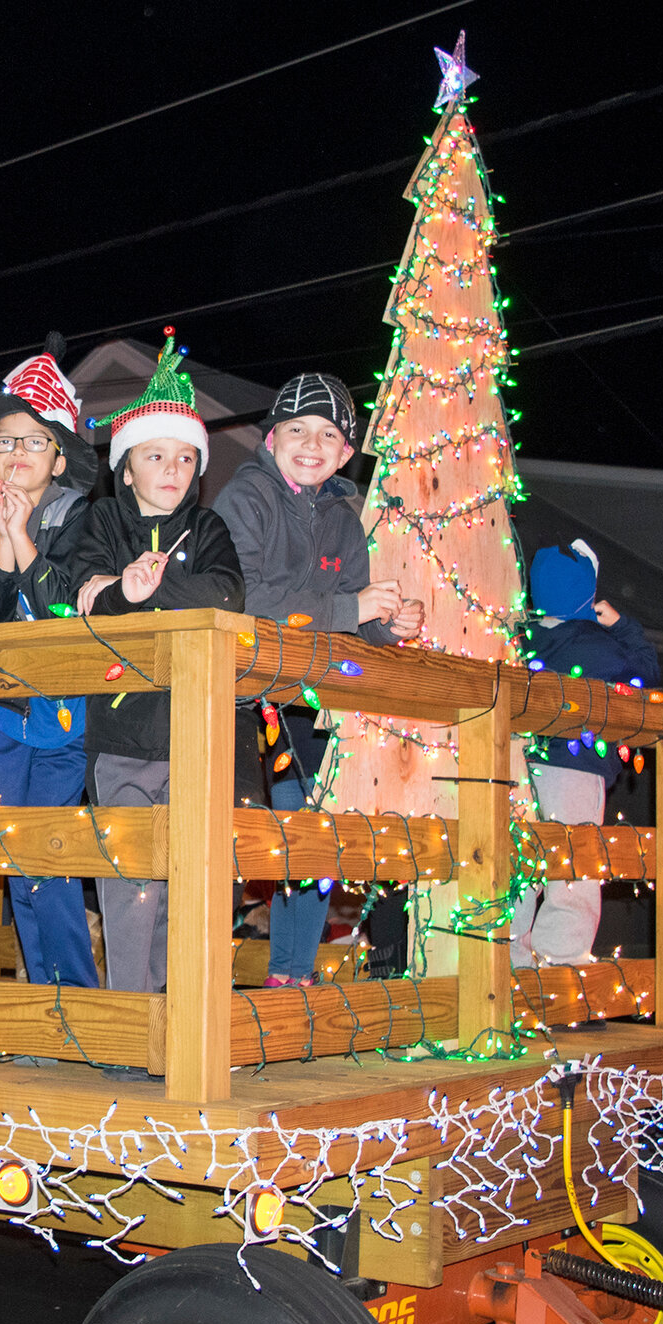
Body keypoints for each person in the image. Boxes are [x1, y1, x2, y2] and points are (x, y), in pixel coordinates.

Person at [212, 369, 423, 986]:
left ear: (346, 454)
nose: (310, 443)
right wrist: (350, 611)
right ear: (271, 437)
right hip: (239, 695)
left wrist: (388, 623)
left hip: (310, 701)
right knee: (242, 836)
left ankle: (291, 975)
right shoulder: (244, 498)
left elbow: (356, 605)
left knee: (310, 836)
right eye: (296, 428)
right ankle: (199, 973)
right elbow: (246, 595)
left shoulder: (343, 516)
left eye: (327, 434)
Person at [70, 337, 246, 992]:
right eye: (154, 455)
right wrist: (118, 592)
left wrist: (145, 589)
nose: (171, 469)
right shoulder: (104, 520)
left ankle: (180, 1023)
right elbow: (85, 597)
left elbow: (228, 595)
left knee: (190, 883)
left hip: (196, 736)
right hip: (120, 736)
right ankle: (132, 1023)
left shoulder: (209, 531)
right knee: (130, 881)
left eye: (184, 457)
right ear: (127, 467)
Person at [0, 353, 100, 987]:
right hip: (5, 712)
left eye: (36, 441)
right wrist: (4, 537)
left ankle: (80, 1002)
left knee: (52, 855)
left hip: (66, 707)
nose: (19, 453)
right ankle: (43, 999)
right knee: (18, 855)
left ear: (59, 458)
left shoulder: (81, 516)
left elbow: (58, 604)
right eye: (5, 441)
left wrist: (22, 538)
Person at [518, 540, 658, 971]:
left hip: (522, 767)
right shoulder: (598, 648)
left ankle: (512, 965)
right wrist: (621, 625)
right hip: (574, 772)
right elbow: (647, 678)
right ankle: (559, 967)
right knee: (574, 871)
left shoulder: (522, 641)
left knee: (522, 872)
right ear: (587, 594)